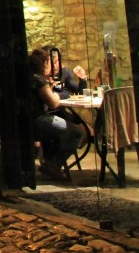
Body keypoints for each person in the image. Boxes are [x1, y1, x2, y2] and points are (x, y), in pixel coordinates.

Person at [28, 48, 84, 181]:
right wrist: (57, 95)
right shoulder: (39, 80)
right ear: (44, 64)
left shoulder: (31, 78)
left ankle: (50, 162)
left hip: (32, 118)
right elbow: (53, 103)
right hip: (39, 119)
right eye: (49, 63)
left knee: (66, 128)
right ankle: (54, 164)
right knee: (77, 132)